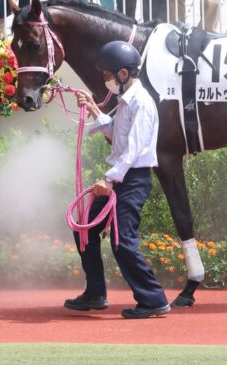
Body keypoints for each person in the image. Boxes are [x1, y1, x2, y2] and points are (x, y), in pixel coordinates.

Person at [66, 41, 170, 319]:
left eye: (107, 75)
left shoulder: (142, 103)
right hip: (121, 176)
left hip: (132, 179)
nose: (106, 80)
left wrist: (110, 179)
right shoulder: (127, 102)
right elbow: (117, 136)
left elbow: (133, 150)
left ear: (123, 74)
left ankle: (153, 300)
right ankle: (95, 293)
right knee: (84, 230)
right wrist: (93, 110)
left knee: (121, 240)